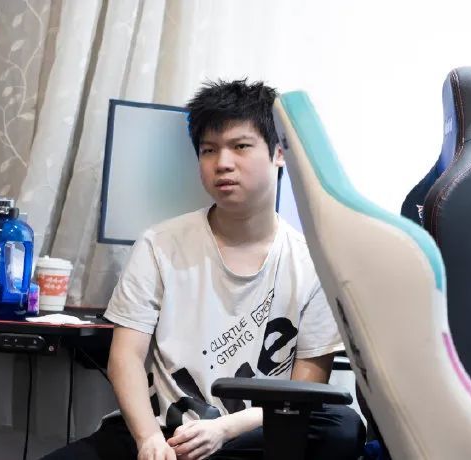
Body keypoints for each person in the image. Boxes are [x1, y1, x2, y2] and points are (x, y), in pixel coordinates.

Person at [42, 79, 365, 460]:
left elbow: (304, 391)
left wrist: (223, 429)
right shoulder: (160, 244)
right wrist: (149, 440)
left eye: (240, 146)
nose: (222, 163)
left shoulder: (312, 263)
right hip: (164, 432)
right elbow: (125, 358)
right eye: (209, 150)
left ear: (279, 152)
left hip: (252, 436)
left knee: (341, 425)